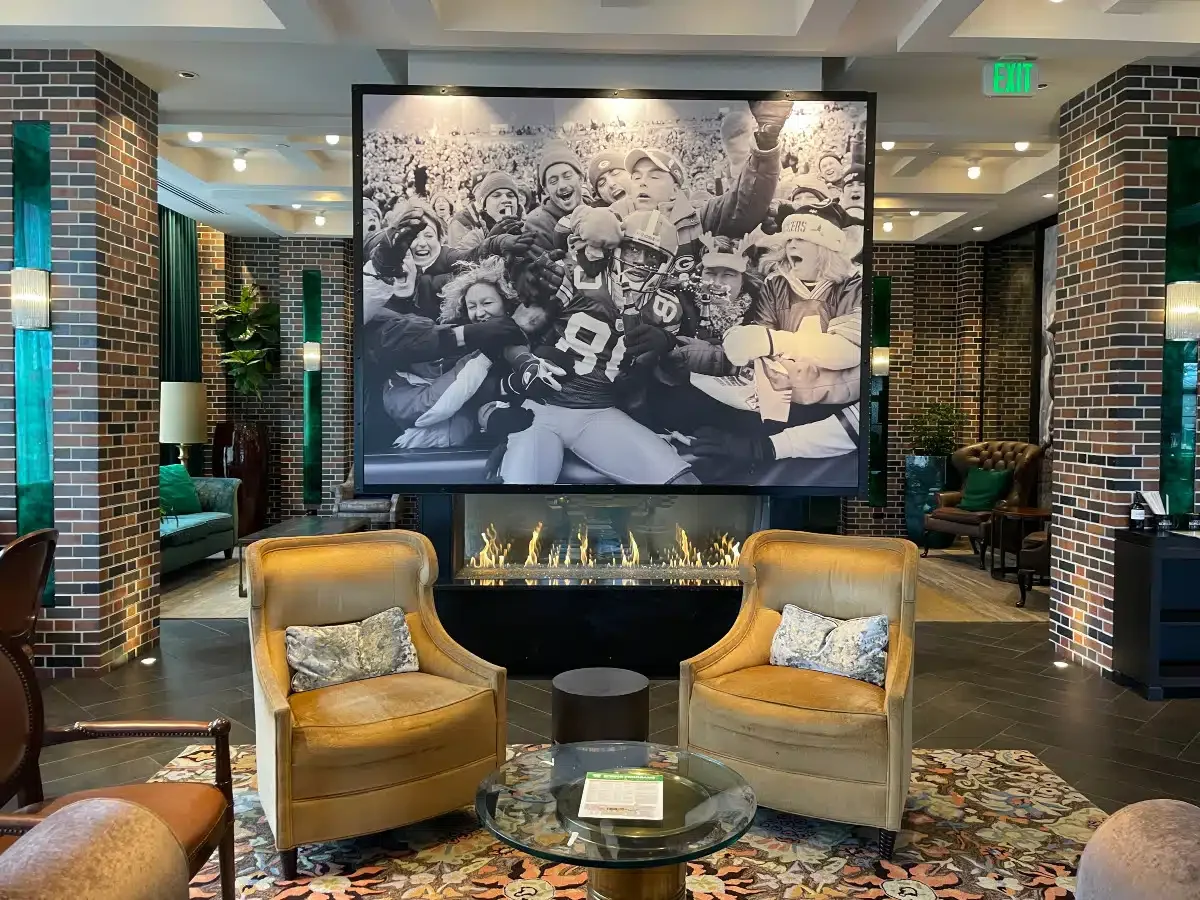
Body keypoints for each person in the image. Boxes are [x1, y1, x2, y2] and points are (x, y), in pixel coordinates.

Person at [495, 209, 700, 485]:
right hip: (540, 410)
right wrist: (525, 362)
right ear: (616, 248)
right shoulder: (577, 276)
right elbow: (511, 331)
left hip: (598, 413)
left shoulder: (667, 308)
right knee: (521, 499)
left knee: (683, 484)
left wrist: (666, 344)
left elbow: (659, 377)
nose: (640, 262)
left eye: (652, 256)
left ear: (667, 264)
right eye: (632, 251)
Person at [607, 99, 792, 262]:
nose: (642, 182)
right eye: (636, 177)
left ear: (675, 190)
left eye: (654, 176)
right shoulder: (613, 219)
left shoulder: (701, 218)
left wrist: (766, 142)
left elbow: (744, 203)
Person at [522, 142, 586, 253]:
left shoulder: (599, 209)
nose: (562, 186)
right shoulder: (537, 224)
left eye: (567, 176)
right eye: (553, 181)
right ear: (546, 190)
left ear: (581, 178)